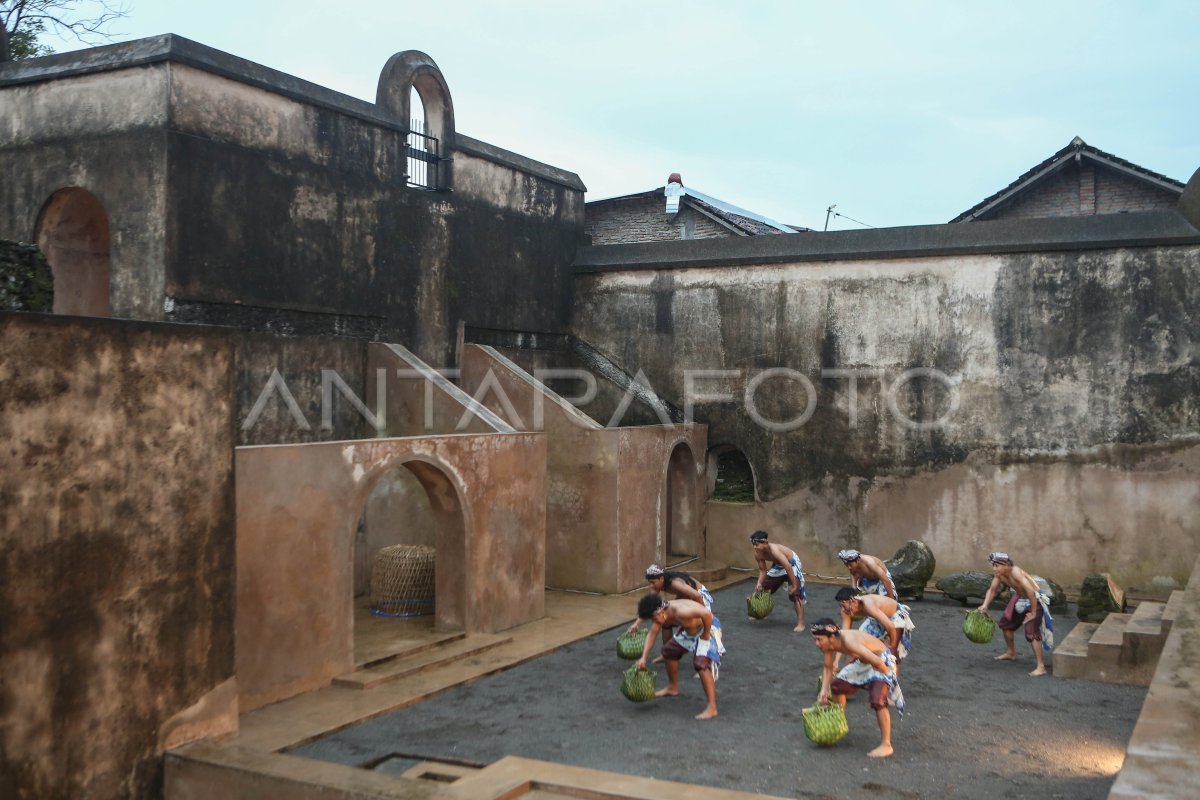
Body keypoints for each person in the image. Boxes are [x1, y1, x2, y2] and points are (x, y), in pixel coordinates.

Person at [812, 618, 905, 758]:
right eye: (815, 639)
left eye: (819, 639)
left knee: (878, 699)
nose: (817, 644)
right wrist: (824, 689)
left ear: (831, 636)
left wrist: (888, 680)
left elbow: (876, 662)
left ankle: (887, 745)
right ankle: (840, 722)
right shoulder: (828, 645)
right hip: (864, 661)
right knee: (836, 687)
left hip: (881, 661)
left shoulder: (849, 641)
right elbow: (828, 667)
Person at [634, 594, 723, 720]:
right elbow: (652, 634)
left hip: (707, 628)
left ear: (660, 613)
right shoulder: (661, 612)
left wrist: (706, 634)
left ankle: (712, 708)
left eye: (653, 619)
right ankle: (672, 687)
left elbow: (707, 614)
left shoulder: (682, 611)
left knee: (700, 664)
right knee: (669, 651)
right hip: (689, 631)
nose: (654, 622)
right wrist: (643, 657)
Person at [976, 551, 1055, 677]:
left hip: (1035, 599)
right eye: (993, 566)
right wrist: (985, 605)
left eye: (997, 565)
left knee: (1032, 630)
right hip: (1020, 597)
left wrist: (1033, 612)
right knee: (1006, 624)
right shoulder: (1000, 575)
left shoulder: (1015, 571)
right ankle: (1011, 653)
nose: (994, 568)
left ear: (1006, 564)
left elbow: (1030, 591)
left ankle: (1041, 667)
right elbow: (992, 590)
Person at [627, 564, 723, 664]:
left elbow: (696, 595)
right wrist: (636, 623)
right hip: (685, 597)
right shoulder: (656, 588)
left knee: (700, 626)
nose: (651, 585)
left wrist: (702, 614)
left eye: (653, 582)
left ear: (661, 578)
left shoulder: (675, 583)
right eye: (649, 583)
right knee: (665, 623)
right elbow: (648, 606)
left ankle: (704, 659)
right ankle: (667, 654)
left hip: (699, 596)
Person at [834, 587, 914, 675]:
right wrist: (836, 661)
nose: (843, 609)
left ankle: (891, 681)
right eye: (840, 606)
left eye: (844, 606)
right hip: (876, 618)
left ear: (853, 600)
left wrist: (892, 645)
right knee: (854, 643)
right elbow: (844, 636)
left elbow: (890, 626)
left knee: (891, 653)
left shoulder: (868, 604)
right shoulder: (845, 611)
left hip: (895, 615)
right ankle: (847, 675)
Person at [749, 530, 806, 631]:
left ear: (765, 543)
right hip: (779, 566)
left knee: (795, 594)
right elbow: (763, 570)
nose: (755, 547)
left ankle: (801, 623)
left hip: (791, 564)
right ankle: (762, 612)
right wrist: (759, 583)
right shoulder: (758, 554)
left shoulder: (775, 550)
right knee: (763, 589)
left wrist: (794, 585)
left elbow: (787, 566)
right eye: (753, 544)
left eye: (757, 544)